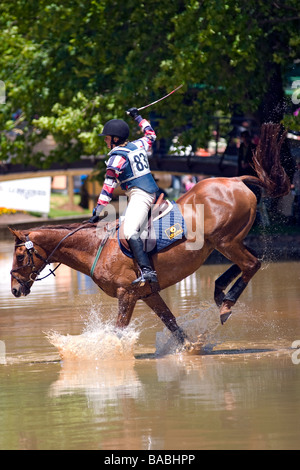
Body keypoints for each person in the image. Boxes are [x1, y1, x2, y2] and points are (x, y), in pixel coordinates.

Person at [90, 108, 159, 285]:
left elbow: (108, 187)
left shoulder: (116, 157)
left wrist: (98, 209)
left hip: (140, 194)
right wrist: (138, 117)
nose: (105, 141)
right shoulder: (138, 144)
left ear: (115, 138)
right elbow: (150, 134)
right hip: (145, 192)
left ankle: (147, 271)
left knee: (128, 231)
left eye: (106, 138)